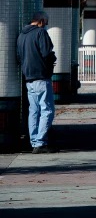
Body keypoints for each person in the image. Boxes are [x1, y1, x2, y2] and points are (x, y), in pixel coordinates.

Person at [17, 10, 57, 154]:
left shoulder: (22, 35)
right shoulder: (40, 33)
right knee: (47, 110)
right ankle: (41, 142)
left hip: (28, 78)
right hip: (41, 76)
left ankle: (34, 141)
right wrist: (52, 59)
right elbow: (47, 53)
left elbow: (18, 56)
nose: (46, 25)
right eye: (46, 22)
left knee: (33, 111)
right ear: (40, 21)